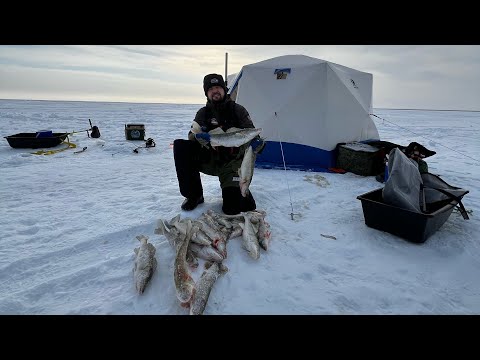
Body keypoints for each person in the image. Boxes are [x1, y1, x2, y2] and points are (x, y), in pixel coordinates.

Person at [173, 73, 265, 215]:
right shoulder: (202, 113)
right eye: (210, 89)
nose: (215, 91)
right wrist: (199, 137)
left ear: (224, 89)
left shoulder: (238, 110)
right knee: (181, 146)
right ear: (206, 93)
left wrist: (258, 144)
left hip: (232, 164)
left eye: (217, 87)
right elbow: (191, 135)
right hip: (209, 159)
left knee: (234, 208)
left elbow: (253, 136)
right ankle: (194, 195)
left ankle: (238, 187)